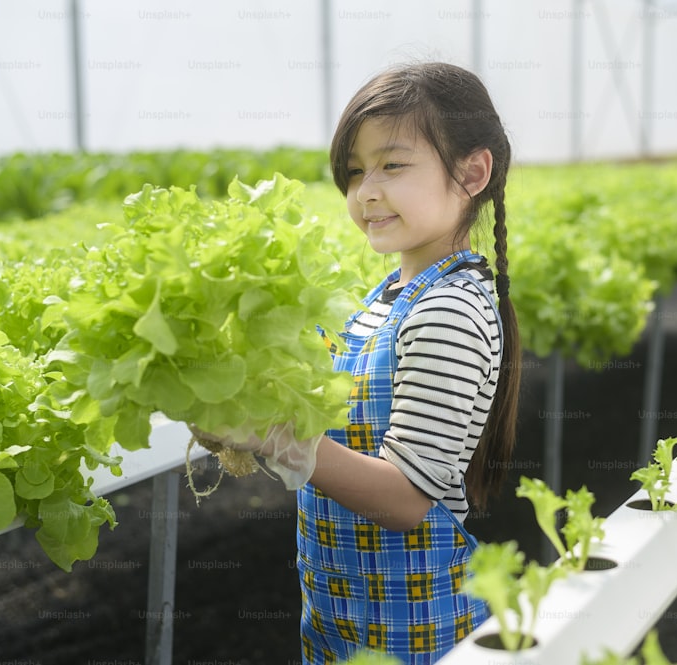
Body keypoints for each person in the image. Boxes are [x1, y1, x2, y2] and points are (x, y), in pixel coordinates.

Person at [196, 61, 521, 664]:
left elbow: (402, 499)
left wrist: (271, 436)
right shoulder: (387, 296)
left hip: (418, 630)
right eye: (354, 172)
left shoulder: (448, 311)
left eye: (393, 165)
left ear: (473, 172)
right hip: (341, 615)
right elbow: (339, 451)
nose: (366, 191)